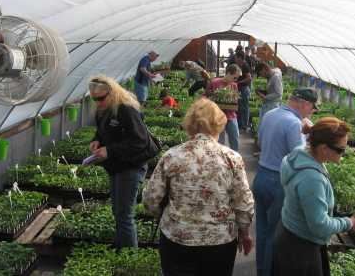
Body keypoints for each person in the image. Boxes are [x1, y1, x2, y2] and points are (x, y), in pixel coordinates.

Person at [142, 98, 254, 276]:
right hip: (220, 242)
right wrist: (245, 233)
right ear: (219, 124)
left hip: (177, 238)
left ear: (190, 124)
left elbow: (151, 199)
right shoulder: (232, 158)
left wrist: (167, 216)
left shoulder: (172, 156)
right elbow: (243, 201)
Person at [274, 117, 355, 276]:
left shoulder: (299, 154)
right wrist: (349, 222)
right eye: (340, 149)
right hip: (301, 248)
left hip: (289, 232)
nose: (343, 153)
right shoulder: (311, 179)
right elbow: (320, 226)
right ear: (324, 148)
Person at [252, 88, 319, 276]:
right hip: (278, 183)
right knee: (275, 235)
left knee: (263, 231)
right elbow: (299, 158)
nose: (311, 112)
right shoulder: (293, 123)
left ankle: (260, 270)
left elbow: (260, 142)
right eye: (312, 108)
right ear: (304, 103)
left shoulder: (270, 114)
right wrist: (310, 135)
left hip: (261, 176)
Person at [88, 75, 150, 249]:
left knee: (125, 215)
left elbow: (140, 141)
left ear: (112, 92)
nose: (98, 102)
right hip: (116, 166)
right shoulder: (103, 110)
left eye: (101, 98)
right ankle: (120, 247)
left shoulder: (126, 109)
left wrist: (109, 150)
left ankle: (130, 260)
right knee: (118, 211)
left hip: (131, 167)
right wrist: (97, 140)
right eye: (94, 99)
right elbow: (103, 131)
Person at [206, 64, 242, 151]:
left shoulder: (234, 85)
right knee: (220, 140)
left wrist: (234, 100)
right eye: (234, 77)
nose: (235, 80)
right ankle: (220, 159)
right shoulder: (215, 82)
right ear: (229, 73)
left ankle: (235, 158)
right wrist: (214, 95)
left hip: (231, 115)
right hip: (218, 116)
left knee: (235, 137)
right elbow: (206, 95)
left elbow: (235, 100)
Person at [234, 51, 252, 131]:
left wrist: (239, 82)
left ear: (240, 58)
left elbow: (249, 78)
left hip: (244, 89)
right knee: (240, 107)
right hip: (240, 89)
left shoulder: (245, 65)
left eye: (236, 57)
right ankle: (240, 124)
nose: (235, 59)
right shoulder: (239, 65)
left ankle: (245, 125)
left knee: (245, 107)